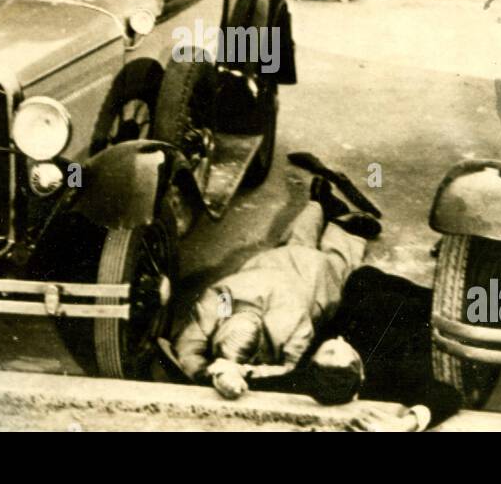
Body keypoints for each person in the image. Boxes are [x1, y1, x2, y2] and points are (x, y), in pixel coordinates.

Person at [171, 178, 381, 398]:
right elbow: (188, 345)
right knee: (296, 243)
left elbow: (293, 368)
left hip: (309, 280)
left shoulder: (292, 321)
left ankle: (344, 228)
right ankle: (316, 205)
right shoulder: (221, 303)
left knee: (336, 264)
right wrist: (207, 373)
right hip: (273, 265)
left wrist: (246, 372)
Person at [254, 265, 463, 432]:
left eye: (327, 351)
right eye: (337, 349)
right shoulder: (392, 378)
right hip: (405, 307)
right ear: (361, 373)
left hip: (353, 287)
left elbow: (268, 384)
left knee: (357, 275)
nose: (338, 340)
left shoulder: (307, 378)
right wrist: (405, 424)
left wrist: (225, 376)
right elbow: (449, 395)